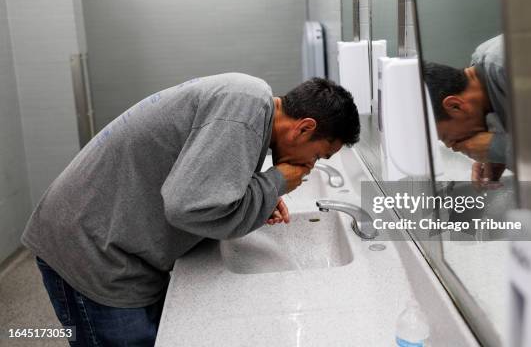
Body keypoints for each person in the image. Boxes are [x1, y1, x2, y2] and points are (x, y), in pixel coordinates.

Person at [22, 73, 360, 346]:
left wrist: (256, 197)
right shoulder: (244, 108)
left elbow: (207, 184)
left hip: (107, 239)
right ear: (305, 128)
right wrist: (273, 184)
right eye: (318, 155)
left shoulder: (249, 102)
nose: (310, 166)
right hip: (91, 251)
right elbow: (189, 208)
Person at [422, 34, 511, 184]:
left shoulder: (506, 67)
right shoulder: (482, 78)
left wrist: (499, 148)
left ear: (455, 106)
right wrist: (498, 157)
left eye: (449, 139)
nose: (454, 148)